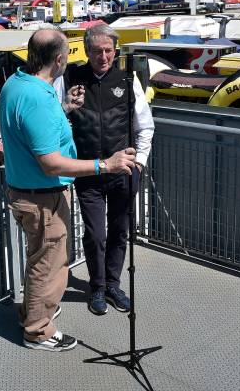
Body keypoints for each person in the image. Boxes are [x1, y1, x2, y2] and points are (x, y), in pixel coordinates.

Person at [0, 28, 136, 352]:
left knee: (39, 260)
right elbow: (51, 163)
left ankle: (33, 312)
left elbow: (32, 129)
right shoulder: (37, 98)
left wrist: (64, 108)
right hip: (42, 198)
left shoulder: (15, 83)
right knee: (49, 265)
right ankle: (38, 330)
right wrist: (105, 165)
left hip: (25, 191)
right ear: (59, 59)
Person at [63, 24, 155, 316]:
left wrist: (139, 163)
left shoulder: (128, 79)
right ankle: (98, 287)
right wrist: (66, 106)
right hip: (88, 173)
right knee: (95, 235)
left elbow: (145, 126)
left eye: (108, 50)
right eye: (96, 51)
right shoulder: (70, 78)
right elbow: (56, 119)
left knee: (119, 231)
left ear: (115, 51)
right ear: (86, 51)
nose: (102, 56)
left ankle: (113, 285)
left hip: (123, 174)